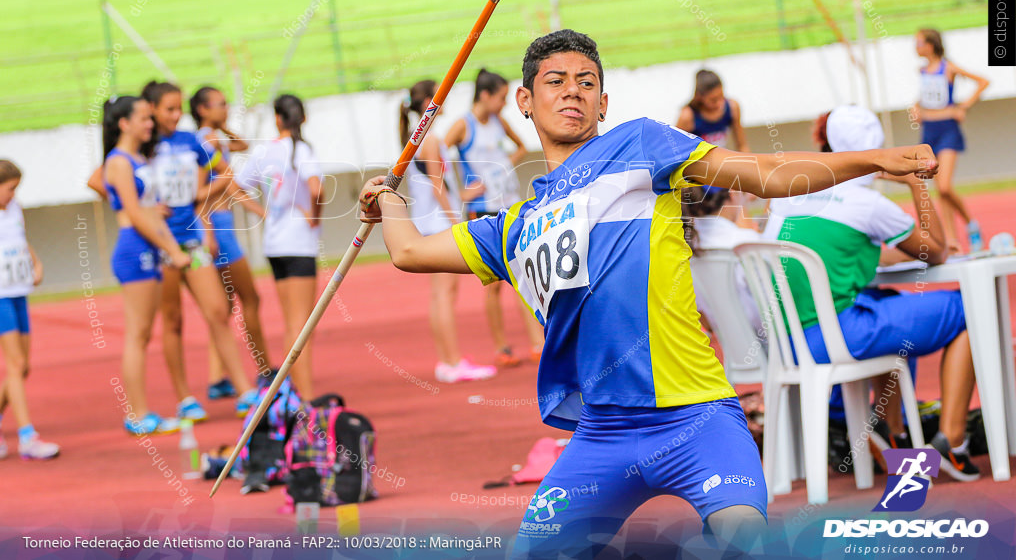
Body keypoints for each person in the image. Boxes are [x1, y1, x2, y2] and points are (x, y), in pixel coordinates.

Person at [359, 29, 939, 557]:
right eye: (555, 82)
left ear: (604, 103)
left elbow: (769, 174)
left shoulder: (642, 145)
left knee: (748, 541)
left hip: (697, 418)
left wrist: (874, 159)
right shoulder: (511, 228)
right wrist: (387, 200)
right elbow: (410, 252)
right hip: (602, 434)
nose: (573, 92)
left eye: (587, 83)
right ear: (525, 102)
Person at [764, 105, 980, 481]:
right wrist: (915, 183)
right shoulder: (869, 204)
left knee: (891, 304)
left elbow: (837, 250)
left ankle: (891, 431)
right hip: (833, 338)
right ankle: (952, 442)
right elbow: (938, 250)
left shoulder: (790, 192)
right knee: (969, 310)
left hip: (785, 341)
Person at [88, 82, 259, 420]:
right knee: (172, 321)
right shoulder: (140, 148)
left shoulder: (189, 141)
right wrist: (131, 209)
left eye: (179, 108)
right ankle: (184, 398)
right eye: (168, 109)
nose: (176, 115)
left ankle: (244, 390)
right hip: (157, 245)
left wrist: (205, 217)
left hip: (191, 240)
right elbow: (98, 179)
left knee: (217, 312)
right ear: (151, 111)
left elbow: (218, 172)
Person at [101, 96, 191, 436]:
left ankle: (142, 412)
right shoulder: (119, 162)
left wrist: (169, 245)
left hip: (150, 247)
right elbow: (137, 214)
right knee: (137, 335)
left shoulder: (138, 158)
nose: (149, 123)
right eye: (142, 117)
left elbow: (151, 209)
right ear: (123, 123)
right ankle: (137, 414)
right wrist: (171, 248)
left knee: (143, 333)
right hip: (135, 249)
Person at [444, 68, 543, 367]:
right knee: (497, 281)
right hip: (482, 207)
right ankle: (502, 347)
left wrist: (502, 167)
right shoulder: (464, 125)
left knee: (526, 271)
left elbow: (523, 147)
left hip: (510, 202)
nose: (504, 104)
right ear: (485, 96)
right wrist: (461, 191)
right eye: (501, 98)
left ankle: (538, 343)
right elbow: (437, 157)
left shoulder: (500, 121)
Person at [401, 80, 497, 383]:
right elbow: (437, 185)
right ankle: (452, 362)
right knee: (445, 294)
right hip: (437, 223)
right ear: (431, 100)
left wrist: (464, 196)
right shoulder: (429, 138)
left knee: (440, 295)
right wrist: (455, 219)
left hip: (431, 220)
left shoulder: (421, 135)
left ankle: (448, 361)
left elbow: (438, 185)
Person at [233, 94, 323, 401]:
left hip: (274, 243)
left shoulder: (265, 151)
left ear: (277, 118)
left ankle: (294, 395)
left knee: (291, 324)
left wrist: (264, 213)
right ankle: (305, 400)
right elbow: (317, 188)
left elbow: (236, 186)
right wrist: (314, 217)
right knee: (302, 325)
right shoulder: (303, 149)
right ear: (303, 119)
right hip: (299, 242)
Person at [190, 86, 271, 398]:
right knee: (250, 299)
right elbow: (226, 183)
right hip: (218, 227)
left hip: (218, 224)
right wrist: (260, 210)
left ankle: (216, 377)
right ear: (202, 109)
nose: (226, 109)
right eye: (220, 105)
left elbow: (242, 144)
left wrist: (219, 125)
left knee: (222, 308)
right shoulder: (207, 142)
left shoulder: (212, 138)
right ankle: (264, 369)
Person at [0, 160, 58, 460]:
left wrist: (36, 261)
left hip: (19, 291)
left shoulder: (14, 208)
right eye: (9, 189)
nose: (13, 195)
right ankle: (27, 437)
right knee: (15, 363)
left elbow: (19, 239)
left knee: (23, 366)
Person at [911, 28, 990, 252]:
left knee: (944, 187)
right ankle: (952, 240)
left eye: (918, 43)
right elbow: (927, 97)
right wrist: (916, 107)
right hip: (928, 131)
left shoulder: (949, 68)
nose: (915, 48)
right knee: (939, 188)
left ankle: (971, 224)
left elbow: (983, 82)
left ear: (930, 44)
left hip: (947, 129)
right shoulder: (922, 71)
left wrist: (964, 106)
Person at [682, 185, 763, 333]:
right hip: (774, 344)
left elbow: (704, 318)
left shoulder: (687, 248)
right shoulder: (747, 242)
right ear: (732, 194)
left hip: (731, 348)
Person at [676, 69, 750, 151]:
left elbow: (742, 145)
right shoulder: (688, 116)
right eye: (713, 100)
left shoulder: (732, 107)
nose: (719, 103)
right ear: (700, 97)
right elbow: (675, 150)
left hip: (720, 160)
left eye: (721, 96)